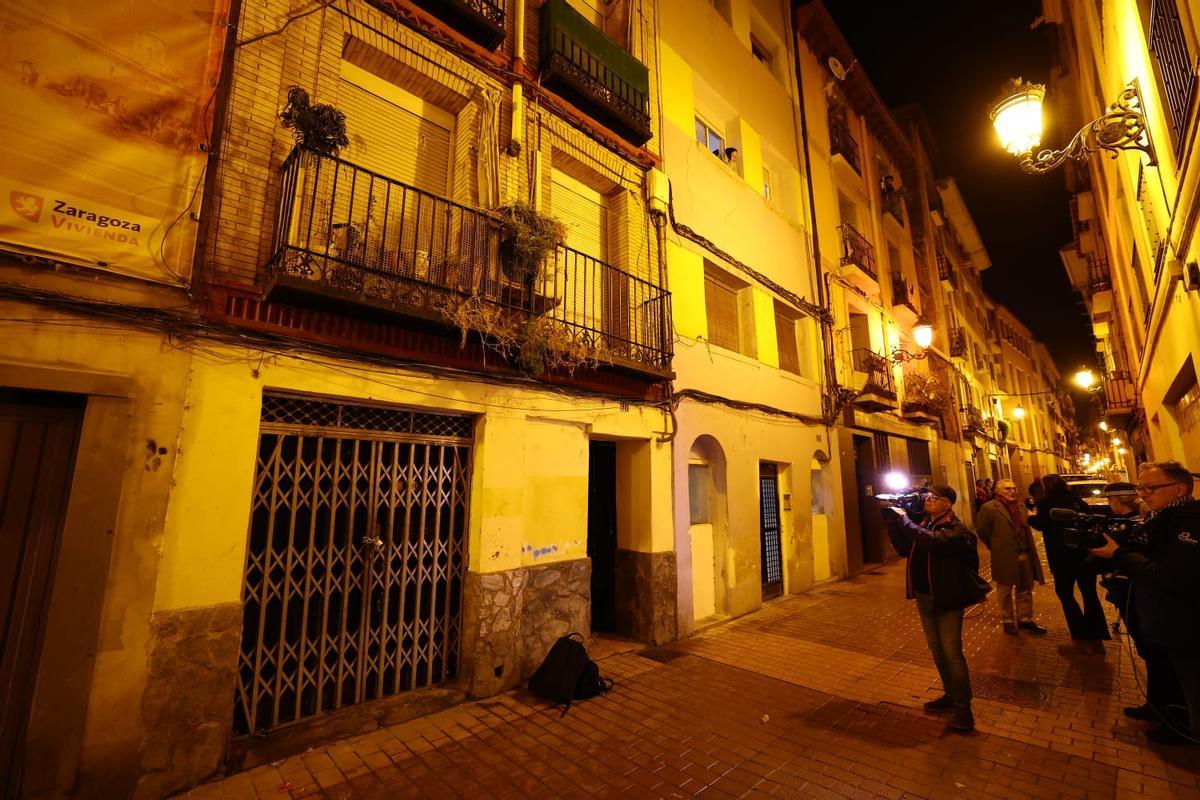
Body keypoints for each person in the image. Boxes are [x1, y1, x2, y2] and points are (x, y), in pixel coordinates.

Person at [1090, 462, 1200, 746]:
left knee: (1191, 684)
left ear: (1179, 489)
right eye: (1141, 488)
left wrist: (1119, 554)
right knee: (1168, 670)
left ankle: (1185, 730)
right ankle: (1167, 715)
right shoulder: (1159, 518)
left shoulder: (1189, 522)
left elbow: (1170, 575)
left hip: (1184, 622)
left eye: (1150, 488)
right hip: (1162, 618)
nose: (1143, 494)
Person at [883, 484, 988, 732]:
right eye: (928, 496)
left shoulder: (956, 530)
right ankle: (950, 695)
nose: (929, 500)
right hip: (925, 596)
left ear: (948, 504)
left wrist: (905, 519)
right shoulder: (924, 524)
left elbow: (932, 544)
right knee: (937, 650)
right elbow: (904, 549)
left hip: (948, 598)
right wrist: (893, 522)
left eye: (935, 498)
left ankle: (964, 709)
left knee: (952, 651)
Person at [1033, 474, 1111, 645]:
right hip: (1083, 554)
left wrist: (1030, 516)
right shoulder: (1076, 499)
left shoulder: (1045, 503)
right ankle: (1097, 629)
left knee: (1064, 592)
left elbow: (1040, 524)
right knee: (1089, 593)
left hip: (1060, 556)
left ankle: (1079, 629)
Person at [977, 478, 1048, 635]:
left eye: (1014, 489)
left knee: (1025, 589)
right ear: (998, 491)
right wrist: (995, 546)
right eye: (1008, 489)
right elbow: (982, 531)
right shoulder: (989, 508)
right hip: (1004, 555)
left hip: (1025, 554)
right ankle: (1008, 620)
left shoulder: (1021, 507)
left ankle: (1025, 619)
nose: (1013, 492)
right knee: (1005, 589)